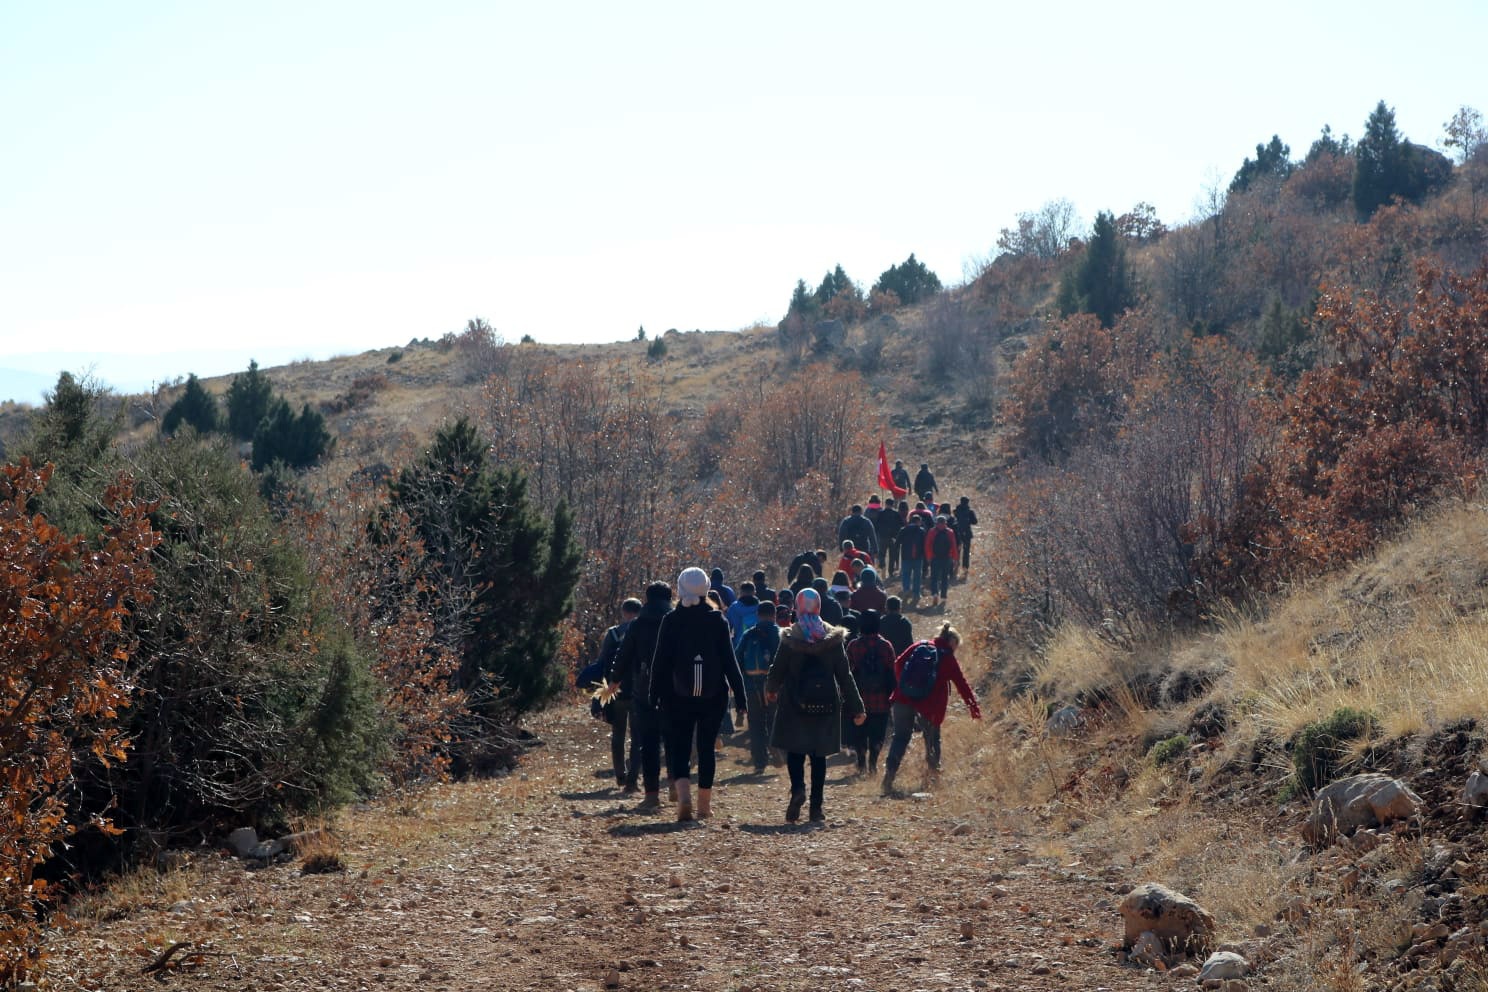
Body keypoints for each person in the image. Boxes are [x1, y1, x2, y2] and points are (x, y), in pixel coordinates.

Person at [649, 568, 747, 822]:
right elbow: (729, 661)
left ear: (680, 590)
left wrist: (653, 694)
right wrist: (742, 697)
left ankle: (684, 798)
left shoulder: (670, 621)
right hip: (713, 695)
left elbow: (659, 662)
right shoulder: (717, 620)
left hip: (676, 694)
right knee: (706, 748)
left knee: (680, 746)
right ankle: (704, 806)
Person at [764, 589, 866, 823]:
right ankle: (816, 808)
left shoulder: (791, 636)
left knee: (795, 751)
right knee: (819, 757)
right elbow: (845, 675)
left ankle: (798, 788)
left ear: (798, 608)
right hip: (825, 705)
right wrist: (857, 707)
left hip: (793, 704)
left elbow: (777, 668)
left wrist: (771, 689)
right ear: (818, 607)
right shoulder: (832, 638)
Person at [881, 622, 981, 795]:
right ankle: (934, 780)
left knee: (900, 738)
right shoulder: (947, 657)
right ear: (951, 642)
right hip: (930, 706)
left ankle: (888, 780)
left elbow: (898, 664)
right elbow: (962, 684)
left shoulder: (919, 646)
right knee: (932, 740)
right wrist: (973, 708)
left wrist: (906, 687)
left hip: (903, 700)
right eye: (956, 646)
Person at [608, 583, 672, 810]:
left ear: (647, 599)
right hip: (675, 688)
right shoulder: (676, 620)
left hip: (644, 688)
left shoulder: (637, 624)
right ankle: (676, 783)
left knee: (648, 741)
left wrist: (614, 681)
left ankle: (652, 794)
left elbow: (623, 654)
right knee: (675, 737)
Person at [596, 598, 642, 789]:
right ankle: (633, 778)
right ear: (639, 612)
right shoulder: (642, 631)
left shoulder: (613, 634)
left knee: (618, 734)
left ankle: (619, 774)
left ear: (623, 612)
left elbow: (604, 662)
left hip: (616, 690)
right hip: (638, 689)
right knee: (637, 736)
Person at [847, 610, 897, 775]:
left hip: (859, 699)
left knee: (859, 733)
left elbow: (847, 671)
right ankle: (873, 764)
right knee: (878, 734)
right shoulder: (886, 645)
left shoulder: (854, 645)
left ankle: (861, 763)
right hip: (881, 699)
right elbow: (892, 671)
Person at [736, 600, 783, 773]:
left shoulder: (749, 634)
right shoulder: (780, 633)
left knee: (755, 723)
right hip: (773, 685)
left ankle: (759, 763)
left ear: (758, 615)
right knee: (774, 720)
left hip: (751, 685)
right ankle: (775, 745)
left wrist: (741, 683)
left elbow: (738, 658)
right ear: (774, 615)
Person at [924, 516, 959, 609]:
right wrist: (955, 558)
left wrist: (928, 557)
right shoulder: (950, 532)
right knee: (945, 577)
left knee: (934, 577)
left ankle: (935, 594)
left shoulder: (932, 531)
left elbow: (928, 545)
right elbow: (954, 545)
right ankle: (943, 596)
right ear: (945, 523)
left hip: (935, 558)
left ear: (936, 522)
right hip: (947, 558)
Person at [898, 511, 928, 604]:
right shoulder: (921, 531)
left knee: (906, 574)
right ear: (918, 522)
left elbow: (897, 542)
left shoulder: (904, 529)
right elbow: (925, 545)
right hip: (918, 557)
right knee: (917, 576)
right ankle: (916, 593)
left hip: (905, 556)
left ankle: (906, 589)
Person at [952, 497, 978, 575]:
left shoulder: (956, 511)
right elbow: (975, 522)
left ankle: (955, 566)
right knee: (966, 551)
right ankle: (965, 567)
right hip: (967, 533)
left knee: (957, 550)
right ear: (967, 502)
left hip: (957, 533)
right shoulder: (970, 512)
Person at [875, 498, 900, 577]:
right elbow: (900, 525)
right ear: (893, 505)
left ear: (885, 504)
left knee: (882, 554)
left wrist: (878, 533)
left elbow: (876, 525)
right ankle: (890, 572)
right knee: (892, 555)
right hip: (893, 537)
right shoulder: (896, 514)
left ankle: (883, 569)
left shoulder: (880, 513)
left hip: (883, 537)